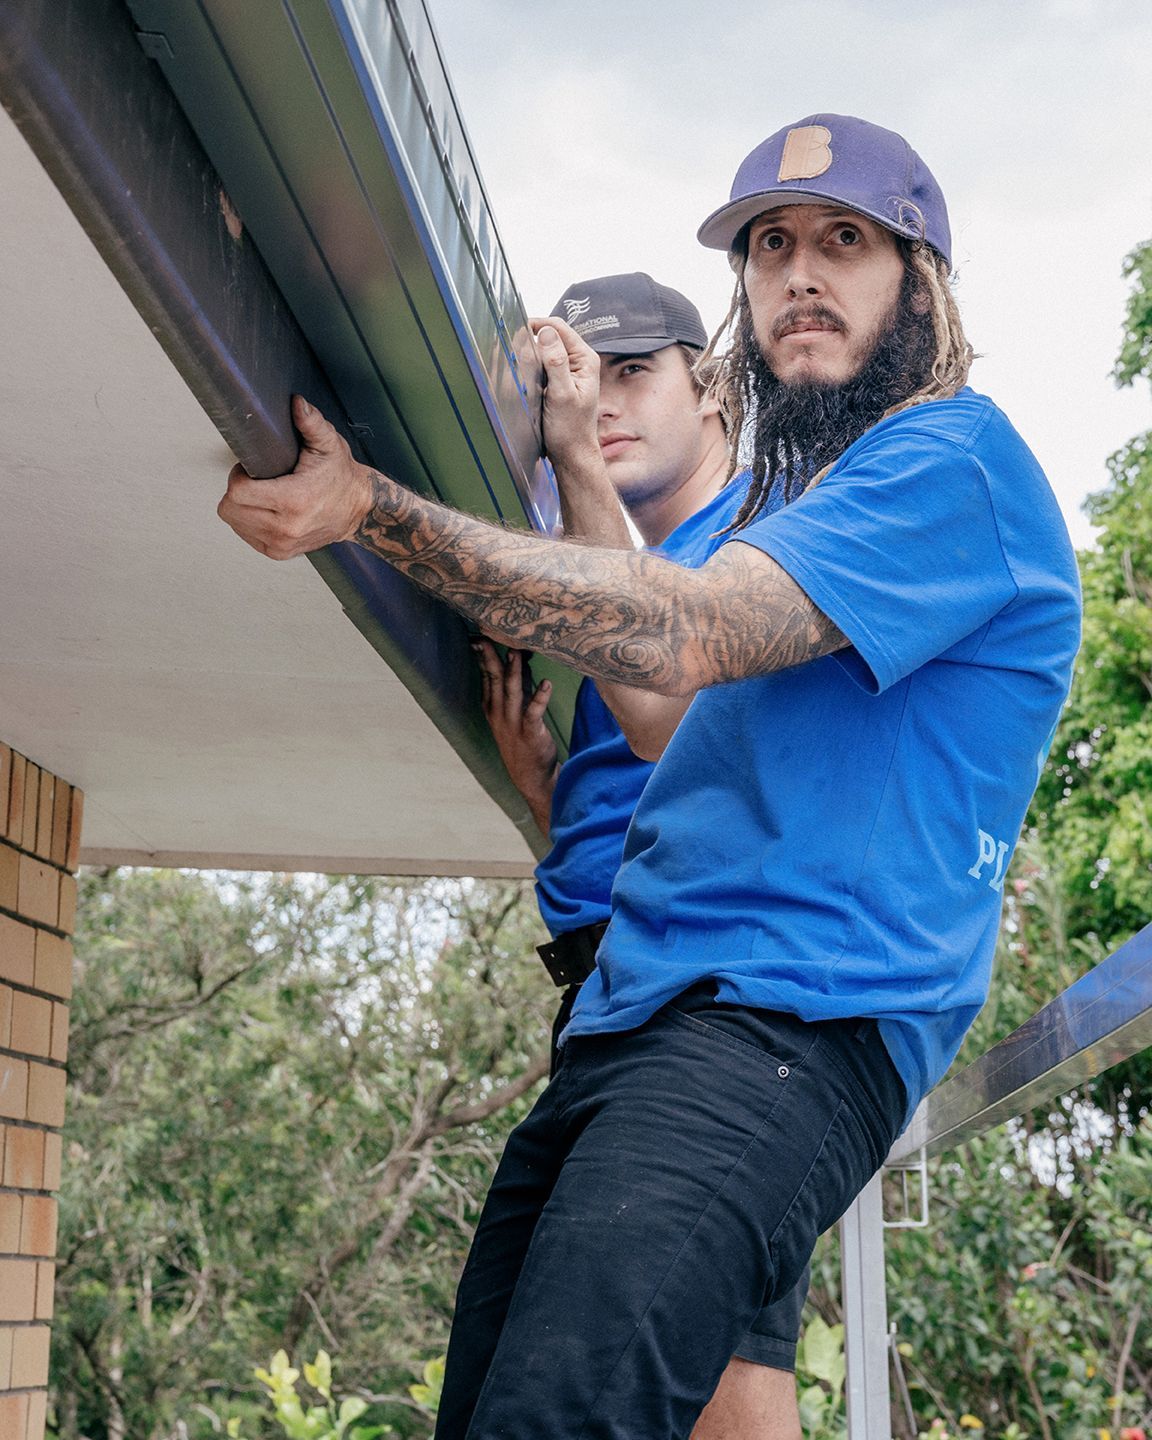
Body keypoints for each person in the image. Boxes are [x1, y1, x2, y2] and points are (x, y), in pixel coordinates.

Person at [218, 114, 1082, 1439]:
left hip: (781, 1031)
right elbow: (666, 706)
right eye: (770, 246)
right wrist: (569, 471)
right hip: (638, 1023)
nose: (799, 273)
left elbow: (678, 627)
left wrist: (375, 511)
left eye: (845, 242)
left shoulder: (951, 460)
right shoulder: (808, 503)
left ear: (923, 281)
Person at [473, 272, 806, 1438]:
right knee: (709, 1363)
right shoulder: (622, 550)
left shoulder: (755, 536)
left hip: (696, 1005)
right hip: (608, 986)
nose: (601, 406)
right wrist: (552, 798)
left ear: (710, 387)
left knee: (689, 1378)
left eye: (632, 373)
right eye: (575, 383)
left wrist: (568, 463)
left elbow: (700, 727)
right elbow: (668, 777)